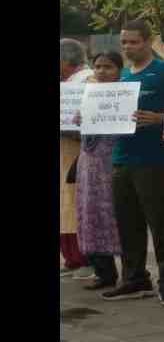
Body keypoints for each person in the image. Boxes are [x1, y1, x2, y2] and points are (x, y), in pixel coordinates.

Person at [101, 20, 164, 306]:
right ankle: (135, 278)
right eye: (124, 43)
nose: (127, 47)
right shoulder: (122, 75)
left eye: (133, 42)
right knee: (127, 224)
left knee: (161, 224)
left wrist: (161, 119)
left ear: (148, 41)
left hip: (154, 159)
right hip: (122, 158)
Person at [75, 52, 125, 290]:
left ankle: (132, 275)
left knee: (117, 217)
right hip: (89, 162)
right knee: (90, 213)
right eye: (98, 67)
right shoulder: (88, 93)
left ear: (119, 70)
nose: (102, 71)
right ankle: (103, 272)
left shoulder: (125, 93)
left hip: (112, 162)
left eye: (109, 67)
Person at [60, 38, 95, 279]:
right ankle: (72, 259)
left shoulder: (88, 80)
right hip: (65, 152)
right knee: (66, 206)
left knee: (75, 206)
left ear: (64, 62)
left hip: (79, 151)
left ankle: (84, 260)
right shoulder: (68, 82)